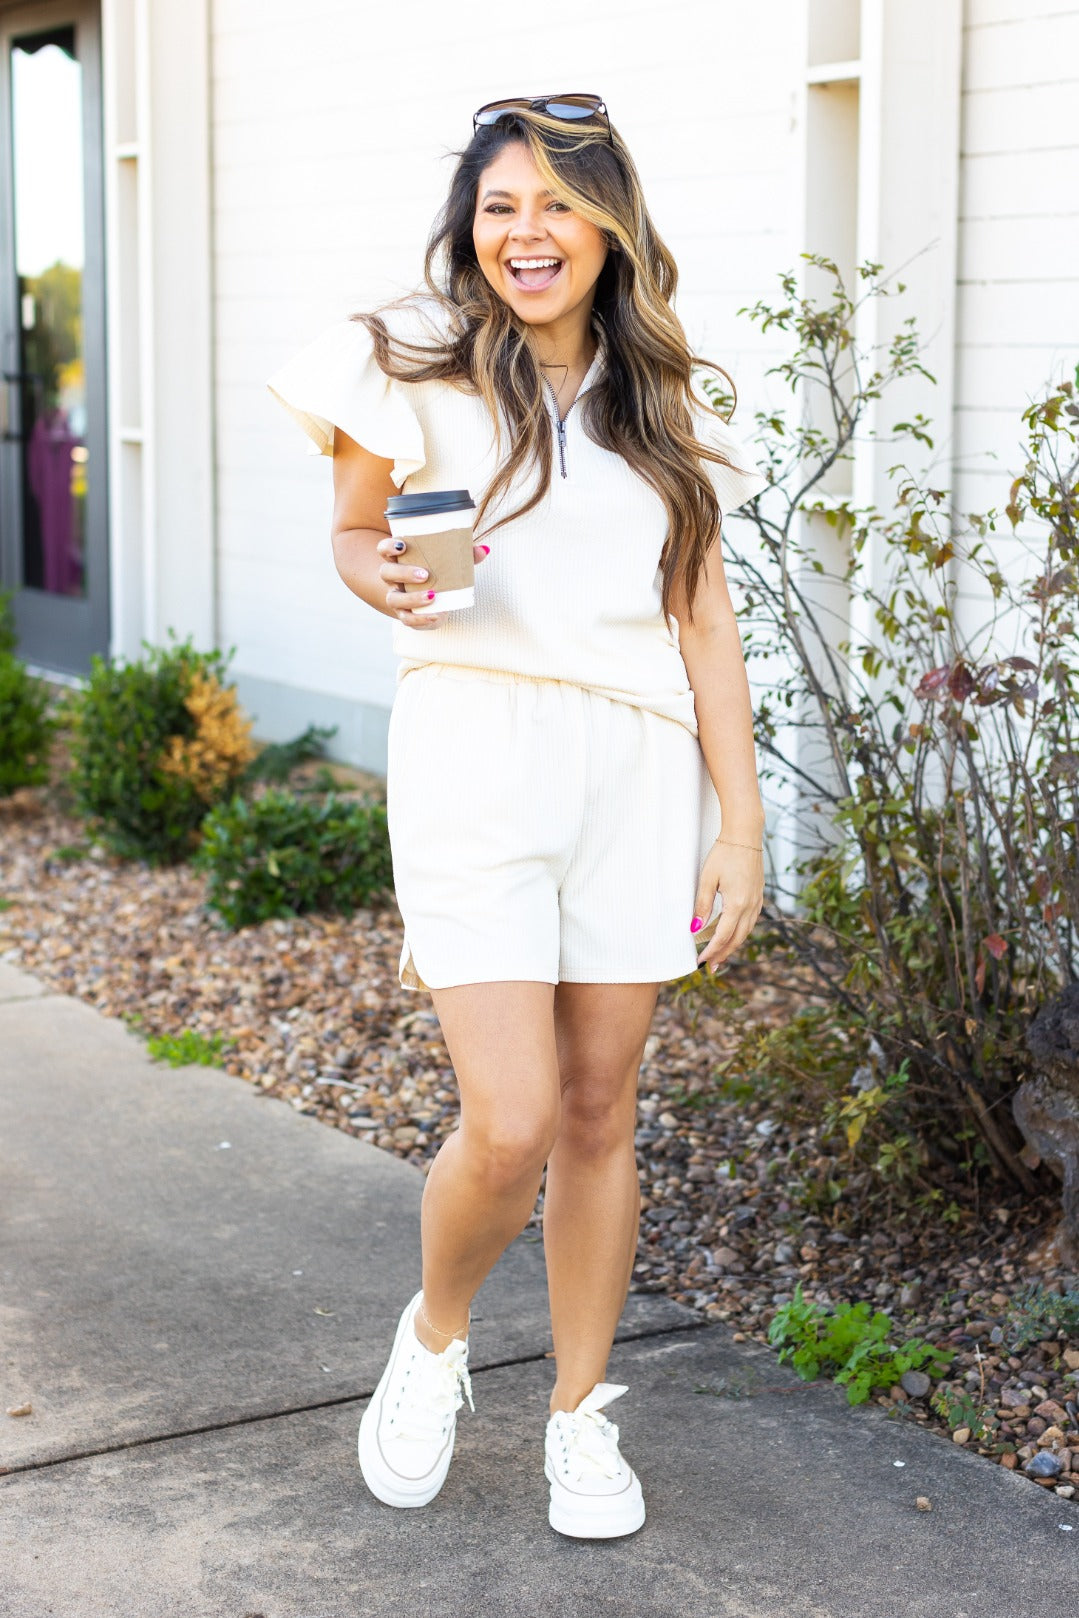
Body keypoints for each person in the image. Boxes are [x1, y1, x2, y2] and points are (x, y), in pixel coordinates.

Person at [267, 92, 767, 1540]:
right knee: (513, 1115)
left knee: (603, 1109)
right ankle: (433, 1340)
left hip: (635, 765)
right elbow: (360, 535)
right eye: (501, 205)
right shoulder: (410, 362)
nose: (526, 232)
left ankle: (580, 1416)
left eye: (555, 202)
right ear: (469, 227)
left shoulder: (663, 398)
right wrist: (391, 579)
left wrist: (738, 823)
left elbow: (704, 618)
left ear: (609, 221)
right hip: (474, 748)